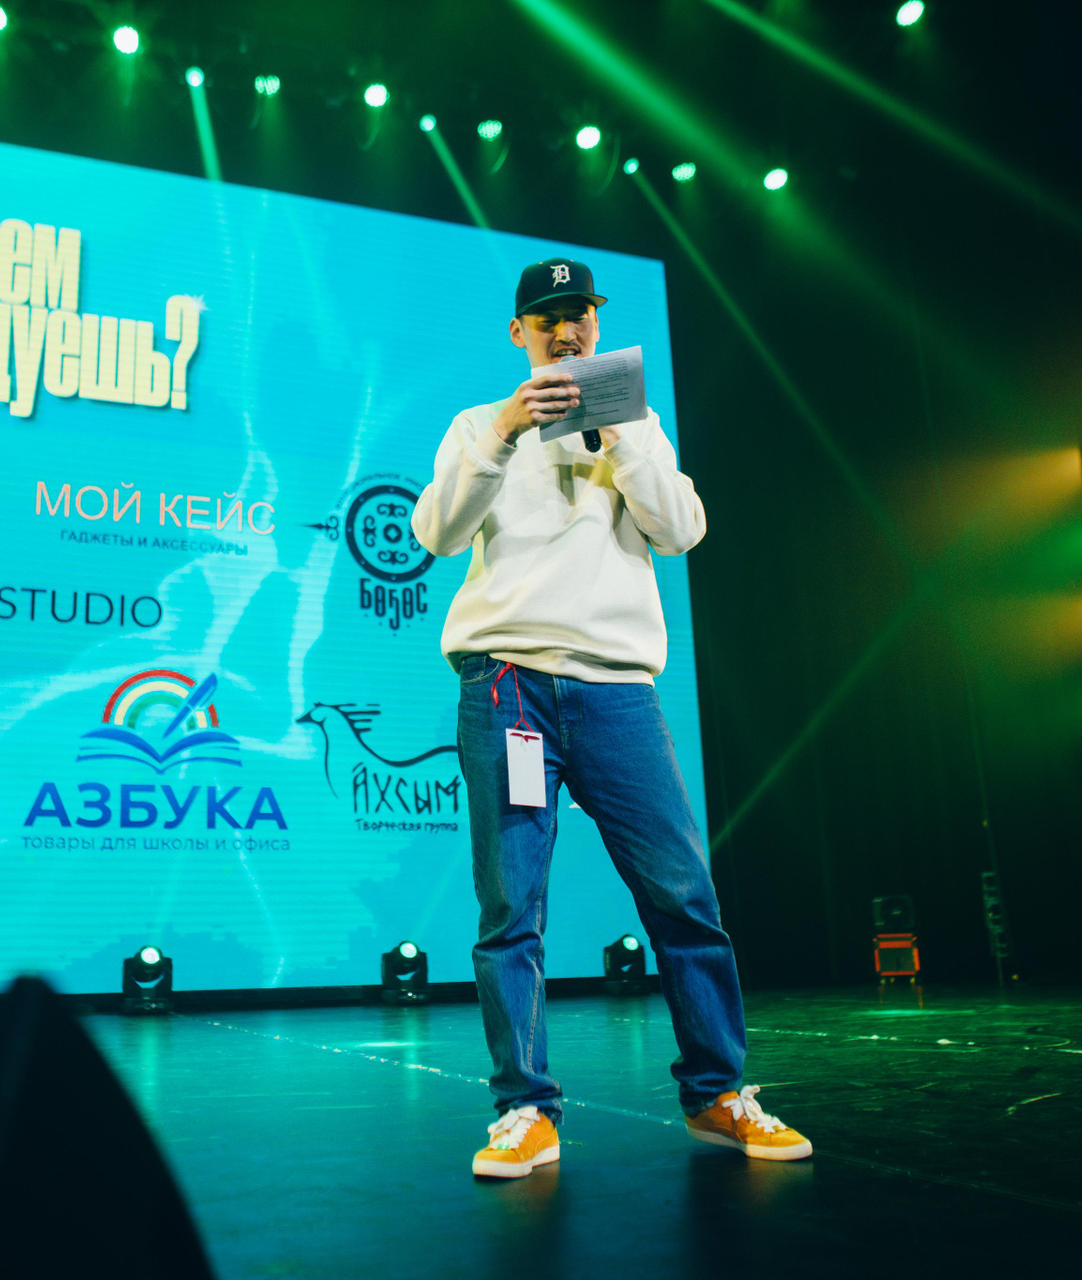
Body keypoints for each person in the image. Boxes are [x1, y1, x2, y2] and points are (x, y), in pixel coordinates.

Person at [411, 257, 812, 1179]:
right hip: (509, 687)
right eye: (548, 317)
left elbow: (682, 529)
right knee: (511, 905)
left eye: (580, 315)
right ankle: (524, 1109)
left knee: (683, 895)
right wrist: (506, 431)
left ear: (596, 325)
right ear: (520, 332)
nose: (567, 331)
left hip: (618, 691)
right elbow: (436, 532)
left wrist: (623, 435)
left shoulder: (640, 426)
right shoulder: (476, 426)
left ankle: (717, 1093)